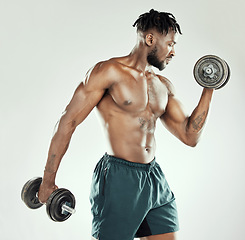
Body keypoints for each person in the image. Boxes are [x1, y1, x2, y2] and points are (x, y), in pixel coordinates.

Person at [38, 9, 213, 240]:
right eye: (170, 44)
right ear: (150, 39)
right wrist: (48, 180)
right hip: (118, 178)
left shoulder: (163, 85)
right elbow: (67, 122)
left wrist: (209, 87)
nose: (173, 52)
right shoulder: (108, 72)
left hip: (154, 177)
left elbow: (190, 136)